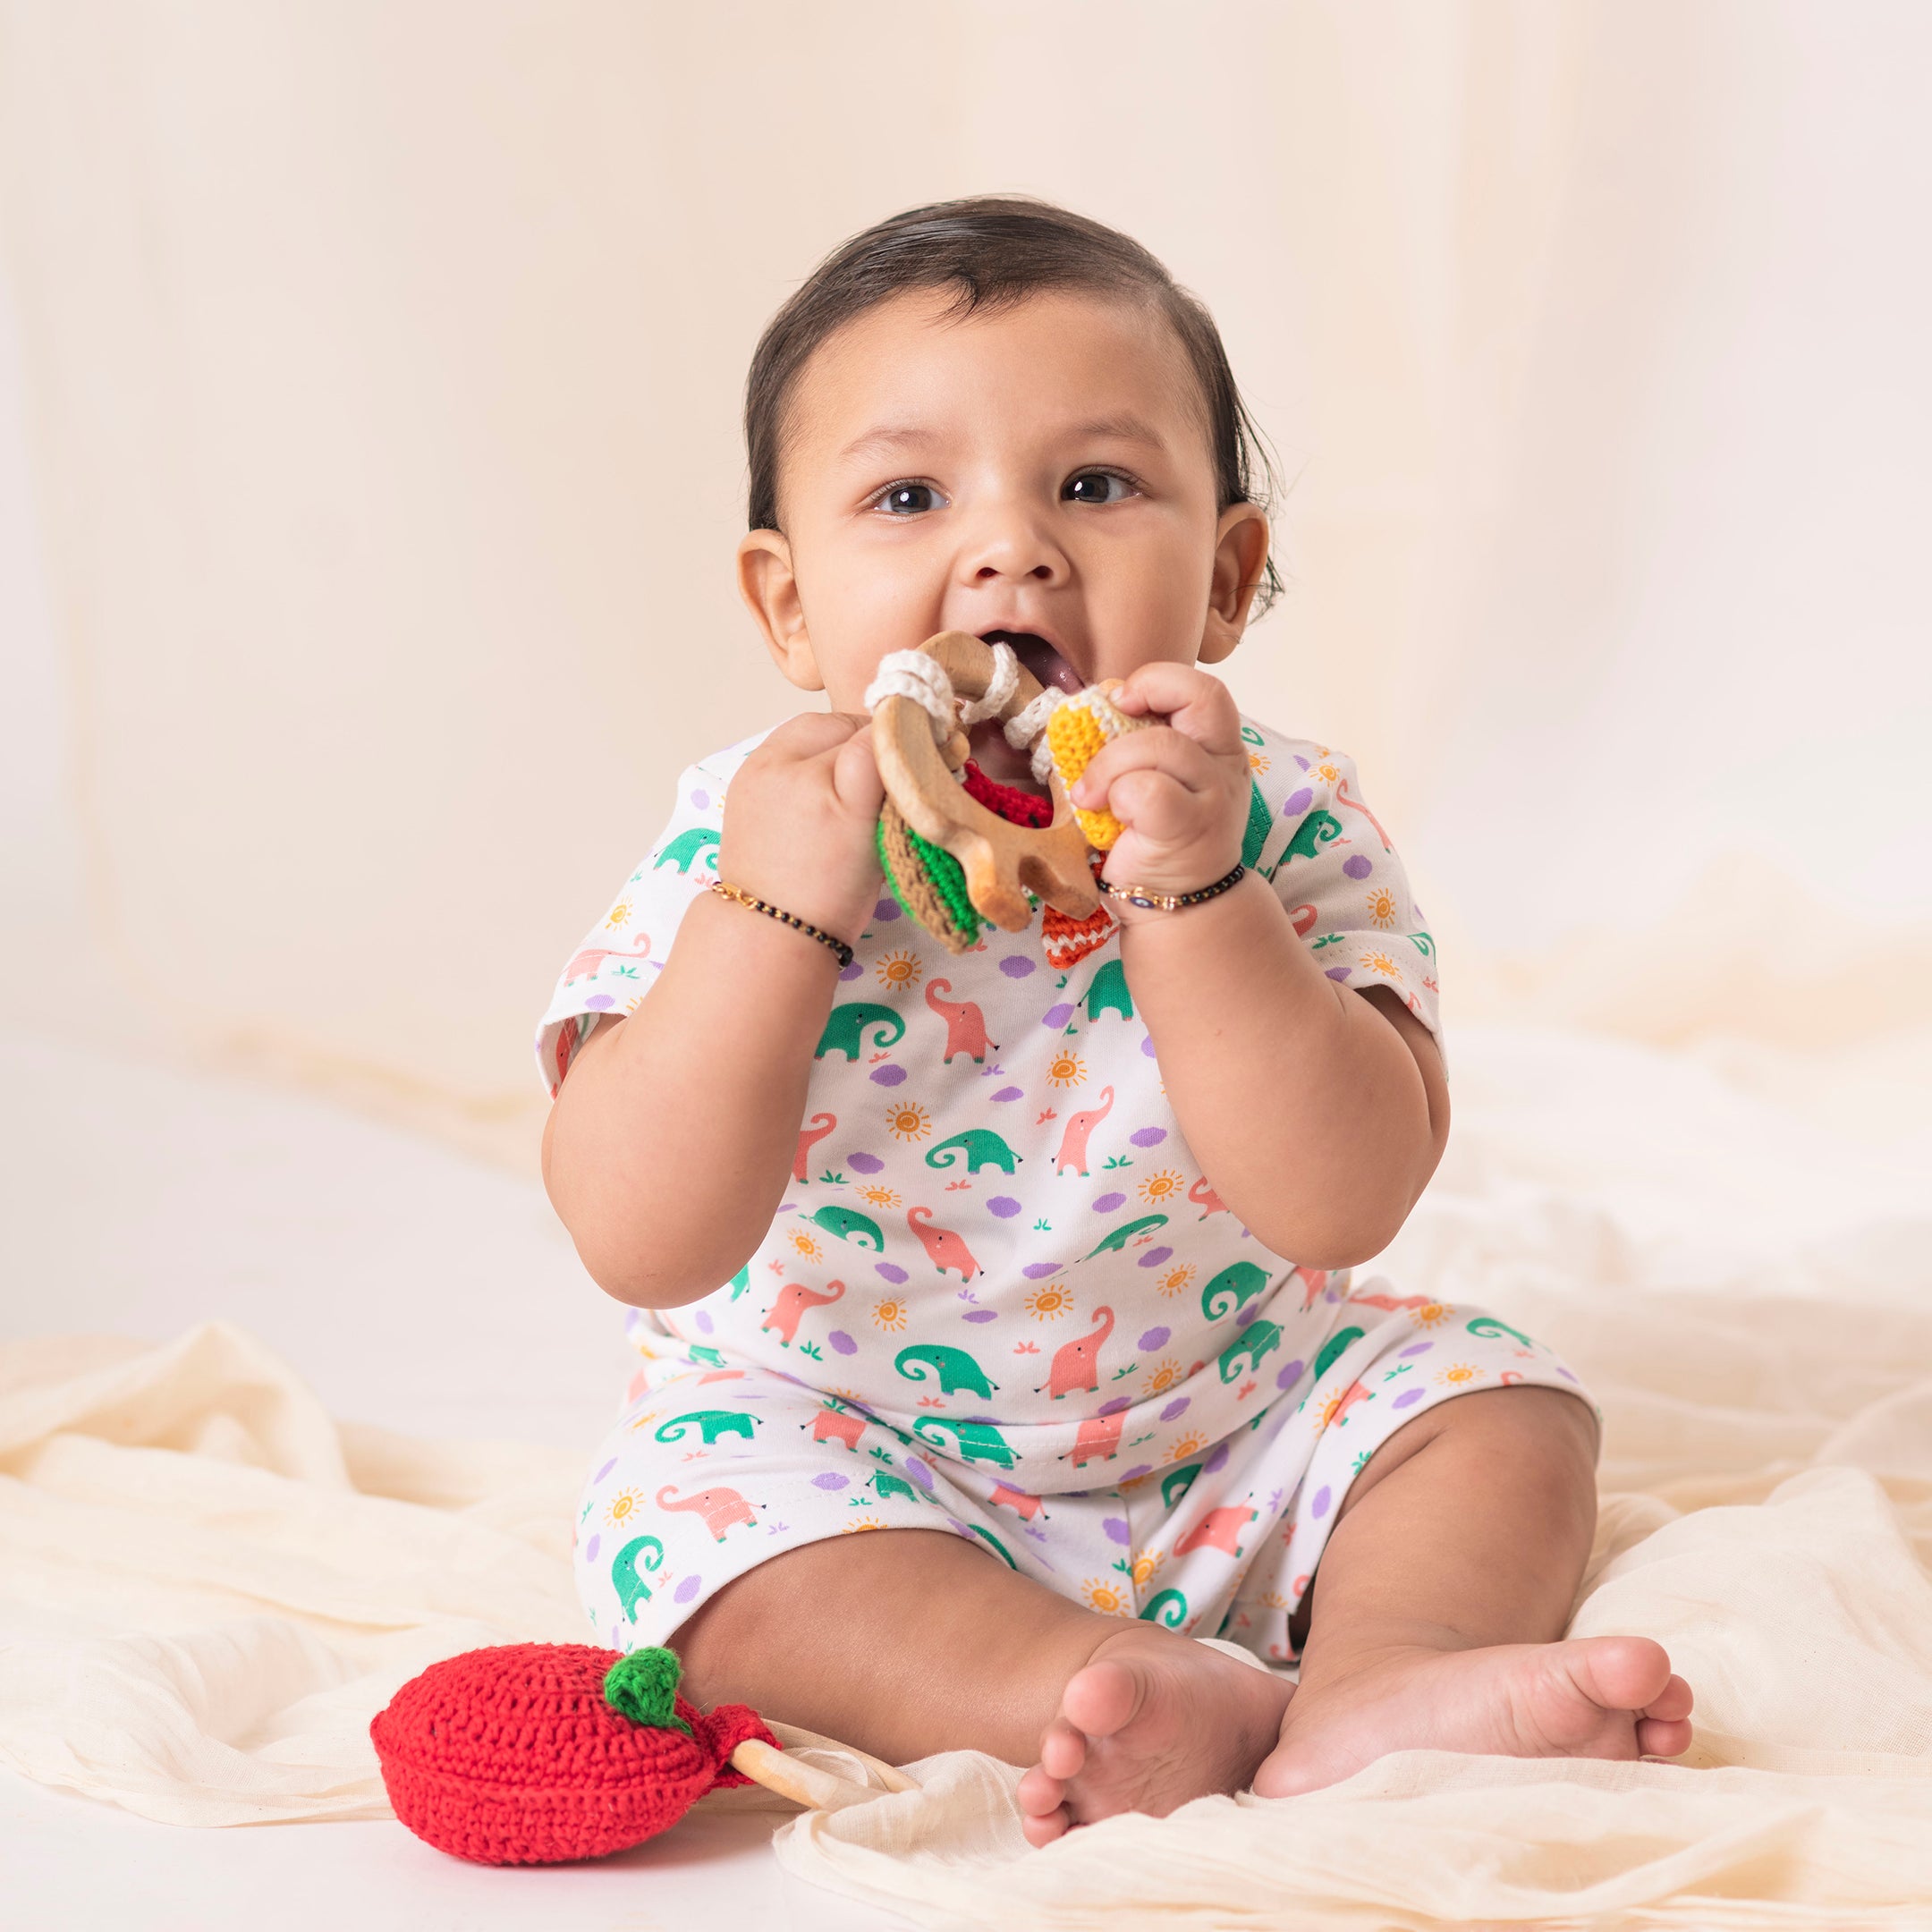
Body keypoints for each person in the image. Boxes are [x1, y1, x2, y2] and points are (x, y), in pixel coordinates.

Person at [538, 197, 1692, 1843]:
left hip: (1243, 1414)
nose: (1011, 549)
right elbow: (639, 1236)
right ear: (789, 606)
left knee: (1500, 1416)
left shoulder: (1276, 820)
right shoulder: (748, 833)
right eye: (909, 495)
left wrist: (1193, 893)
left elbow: (1343, 1199)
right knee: (698, 1546)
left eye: (1094, 484)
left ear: (1228, 575)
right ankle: (1106, 1688)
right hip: (867, 1449)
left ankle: (1384, 1670)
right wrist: (775, 918)